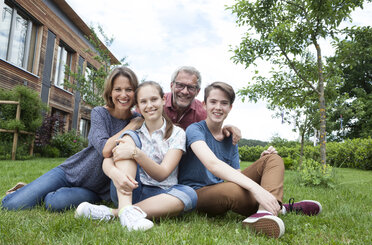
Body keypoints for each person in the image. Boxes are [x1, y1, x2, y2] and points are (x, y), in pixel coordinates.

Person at [178, 82, 322, 238]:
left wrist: (261, 167)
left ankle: (265, 212)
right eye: (213, 102)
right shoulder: (195, 130)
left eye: (224, 103)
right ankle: (282, 208)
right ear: (204, 105)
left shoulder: (230, 138)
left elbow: (237, 175)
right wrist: (257, 188)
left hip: (223, 188)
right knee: (232, 191)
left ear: (230, 108)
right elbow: (212, 164)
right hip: (197, 193)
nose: (218, 107)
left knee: (272, 158)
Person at [1, 66, 143, 212]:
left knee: (53, 203)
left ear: (135, 92)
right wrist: (132, 125)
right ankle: (27, 190)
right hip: (71, 172)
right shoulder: (100, 113)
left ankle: (40, 191)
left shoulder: (139, 120)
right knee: (10, 205)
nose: (123, 95)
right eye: (118, 89)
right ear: (110, 92)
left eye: (129, 89)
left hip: (97, 191)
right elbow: (106, 150)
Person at [75, 81, 197, 231]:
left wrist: (136, 153)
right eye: (143, 101)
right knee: (128, 138)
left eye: (154, 99)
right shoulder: (134, 132)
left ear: (163, 99)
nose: (149, 105)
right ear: (138, 106)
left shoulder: (177, 133)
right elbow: (108, 161)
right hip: (129, 189)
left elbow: (163, 174)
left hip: (162, 194)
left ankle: (115, 213)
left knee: (190, 194)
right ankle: (126, 208)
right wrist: (115, 175)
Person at [164, 66, 241, 145]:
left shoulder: (203, 112)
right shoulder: (156, 104)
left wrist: (226, 129)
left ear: (198, 91)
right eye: (180, 85)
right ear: (171, 86)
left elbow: (214, 130)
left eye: (191, 87)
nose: (185, 91)